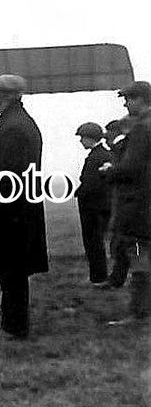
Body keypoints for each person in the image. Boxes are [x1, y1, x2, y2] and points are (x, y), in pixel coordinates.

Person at [0, 74, 49, 339]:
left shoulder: (13, 128)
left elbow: (9, 179)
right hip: (17, 212)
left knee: (13, 272)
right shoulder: (14, 123)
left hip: (12, 214)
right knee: (11, 272)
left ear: (10, 97)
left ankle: (14, 328)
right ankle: (11, 325)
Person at [101, 81, 151, 325]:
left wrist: (111, 170)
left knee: (140, 256)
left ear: (141, 99)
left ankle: (139, 312)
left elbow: (131, 168)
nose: (125, 103)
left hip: (139, 208)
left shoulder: (142, 129)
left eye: (129, 99)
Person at [73, 122, 113, 286]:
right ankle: (103, 276)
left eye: (83, 138)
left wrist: (79, 192)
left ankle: (98, 277)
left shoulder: (95, 157)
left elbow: (90, 183)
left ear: (90, 138)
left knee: (93, 243)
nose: (81, 141)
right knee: (101, 242)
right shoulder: (106, 154)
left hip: (92, 207)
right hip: (103, 205)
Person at [102, 118, 132, 288]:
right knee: (122, 243)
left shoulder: (127, 144)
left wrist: (110, 171)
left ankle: (119, 279)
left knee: (124, 243)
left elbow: (124, 168)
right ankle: (117, 278)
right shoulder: (125, 145)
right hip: (124, 200)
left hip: (128, 201)